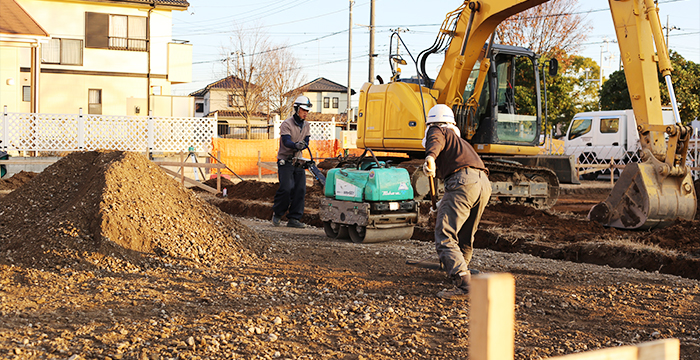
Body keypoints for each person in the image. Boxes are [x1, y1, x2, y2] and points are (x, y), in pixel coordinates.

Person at [422, 104, 492, 300]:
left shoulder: (437, 130)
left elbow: (435, 140)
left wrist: (430, 157)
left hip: (463, 181)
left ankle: (463, 283)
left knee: (444, 234)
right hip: (483, 184)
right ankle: (462, 270)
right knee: (465, 234)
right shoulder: (460, 143)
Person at [272, 95, 313, 228]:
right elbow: (286, 141)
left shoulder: (306, 125)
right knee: (286, 188)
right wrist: (296, 145)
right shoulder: (287, 124)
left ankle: (294, 218)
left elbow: (306, 140)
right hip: (285, 161)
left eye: (307, 111)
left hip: (298, 161)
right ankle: (278, 213)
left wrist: (303, 144)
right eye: (303, 110)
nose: (305, 113)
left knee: (300, 189)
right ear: (296, 109)